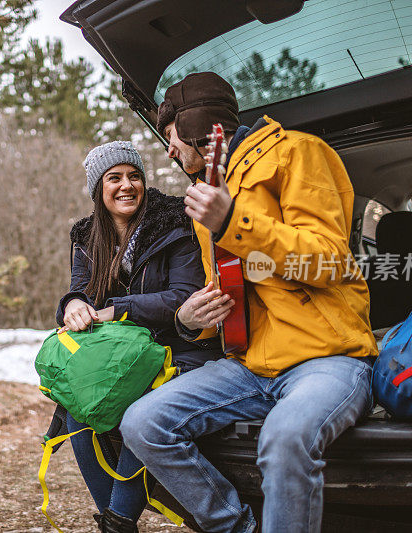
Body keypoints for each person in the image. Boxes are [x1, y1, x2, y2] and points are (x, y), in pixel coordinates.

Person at [119, 73, 378, 533]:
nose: (170, 151)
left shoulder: (298, 152)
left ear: (204, 133)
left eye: (173, 139)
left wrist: (232, 221)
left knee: (285, 437)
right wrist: (188, 320)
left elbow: (329, 262)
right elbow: (226, 289)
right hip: (248, 365)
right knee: (142, 422)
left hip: (325, 358)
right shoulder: (207, 192)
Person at [55, 140, 223, 532]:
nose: (126, 185)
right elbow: (78, 289)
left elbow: (185, 296)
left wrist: (119, 308)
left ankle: (117, 522)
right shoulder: (86, 237)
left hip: (181, 349)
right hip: (123, 355)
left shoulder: (173, 222)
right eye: (114, 178)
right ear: (98, 189)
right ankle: (115, 519)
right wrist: (73, 304)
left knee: (139, 411)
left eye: (134, 176)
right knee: (76, 414)